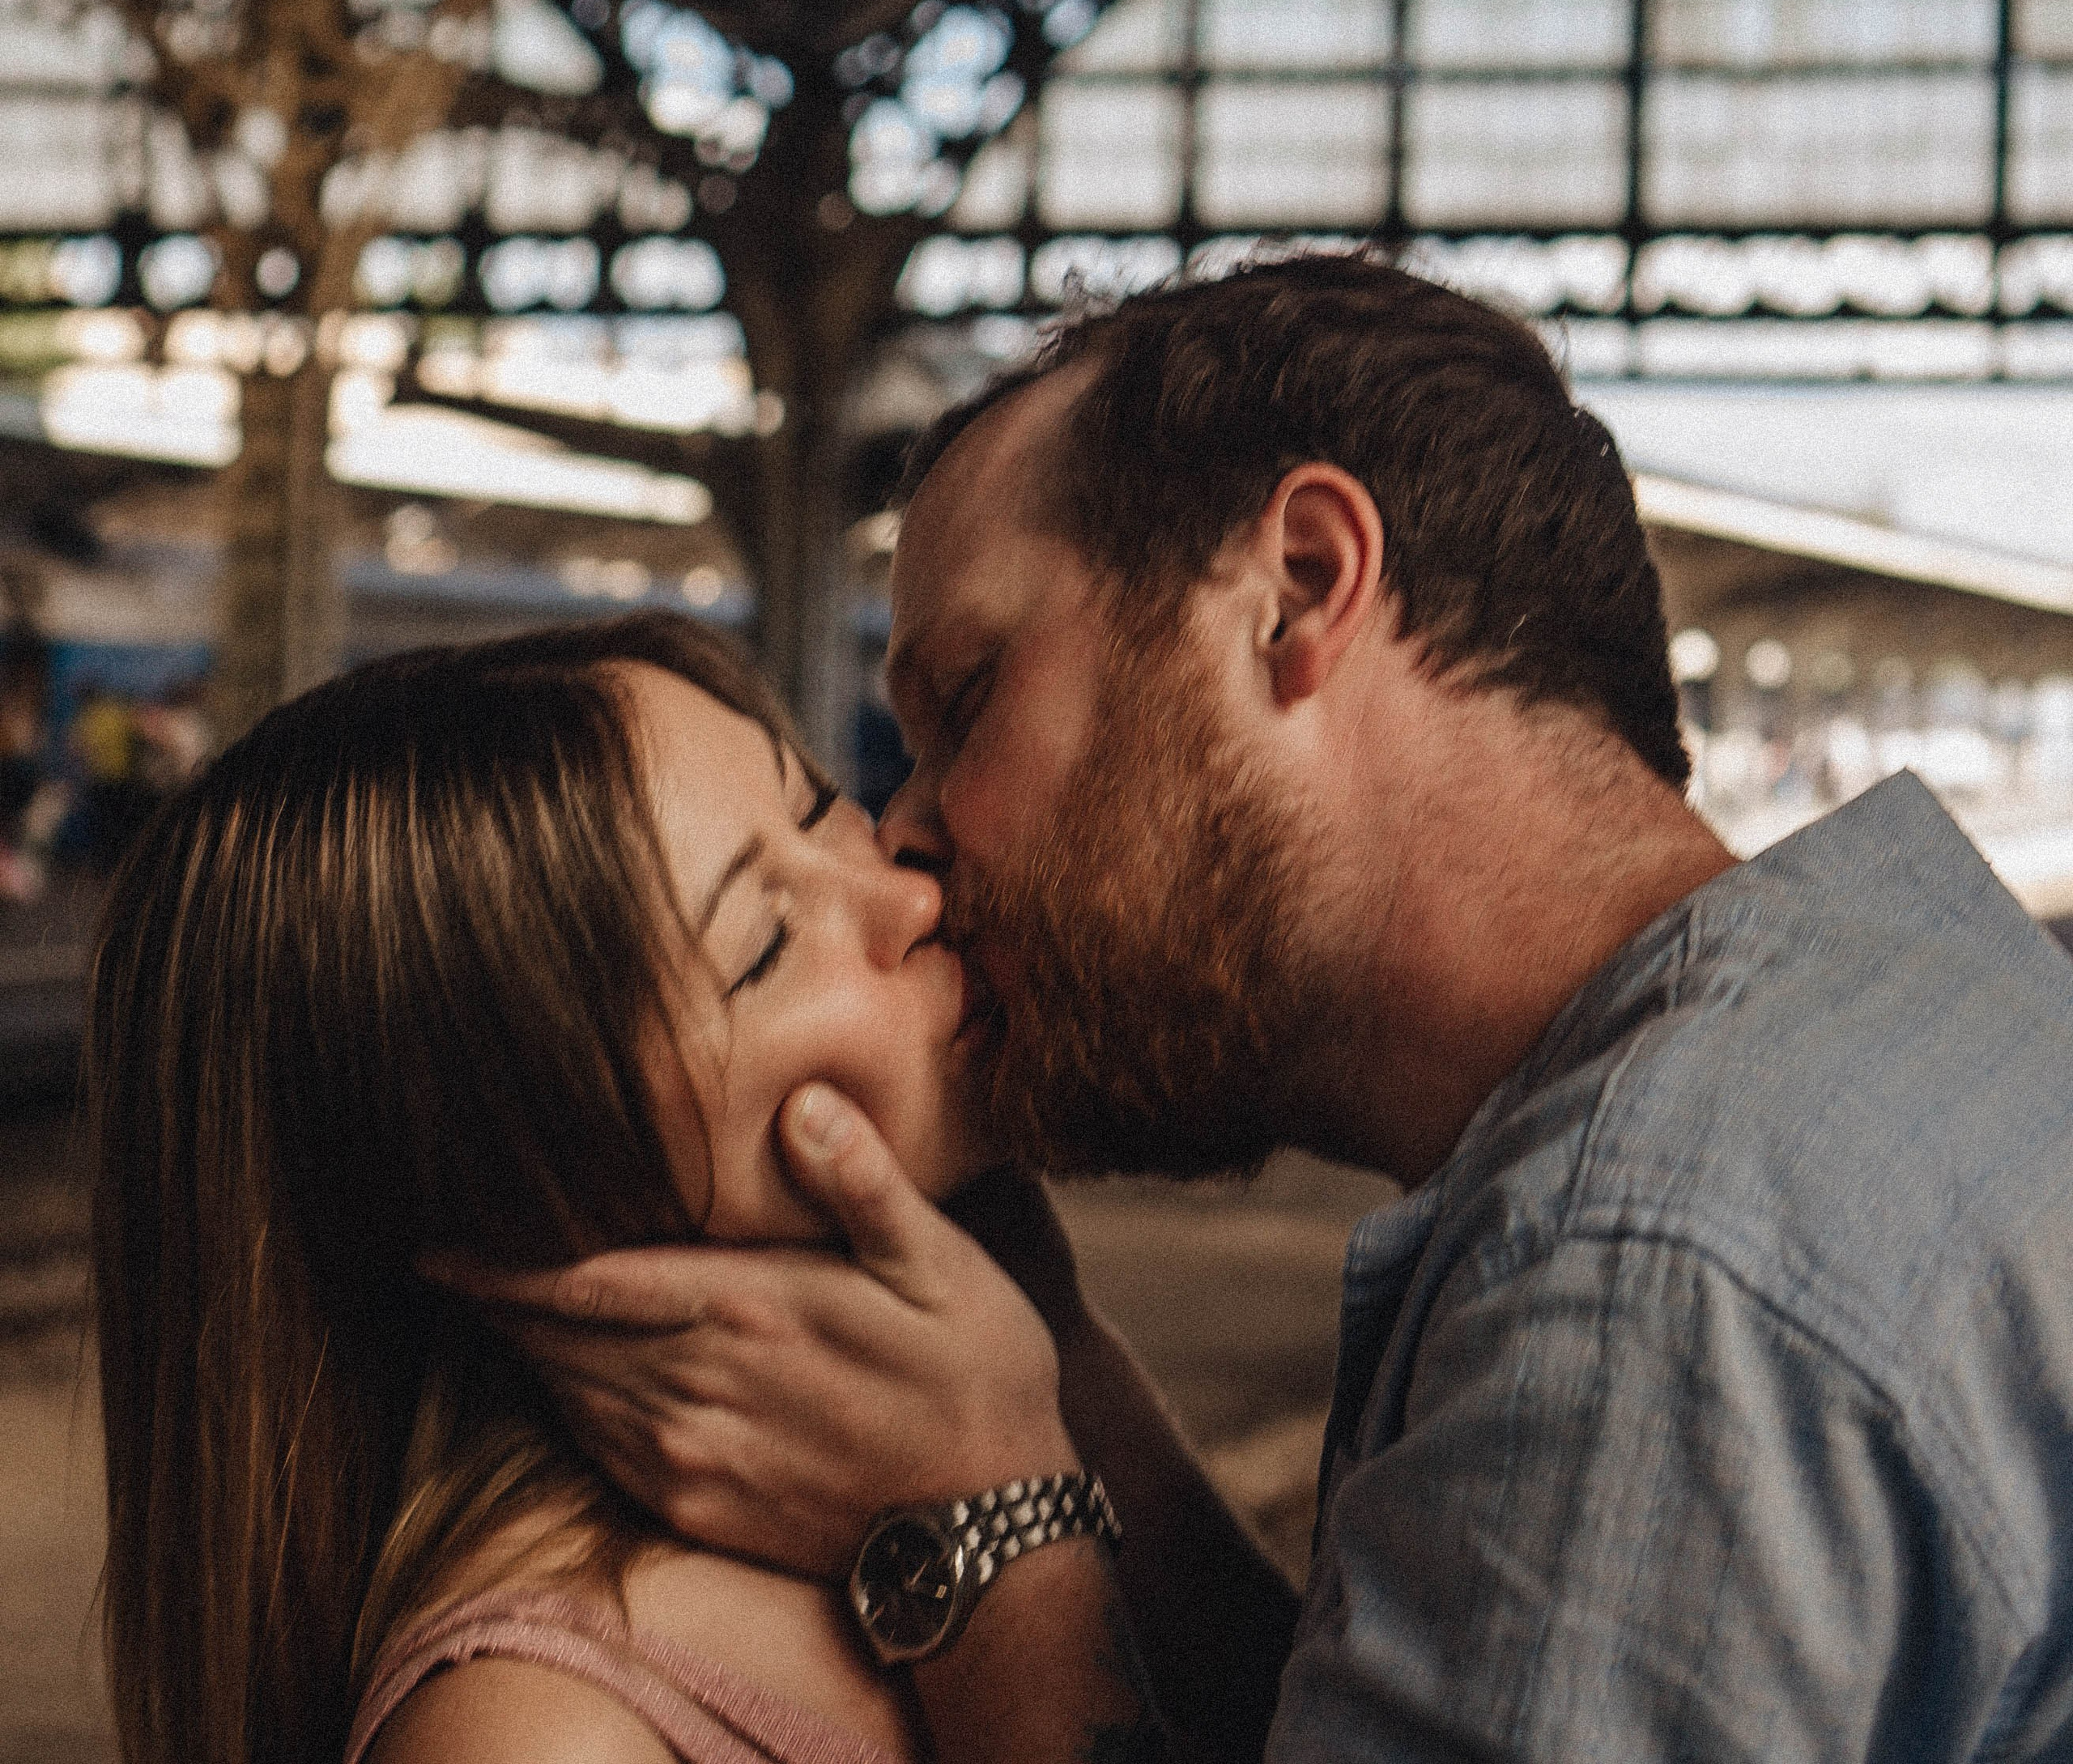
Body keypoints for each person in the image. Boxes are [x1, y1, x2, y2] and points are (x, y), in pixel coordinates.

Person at [470, 254, 2073, 1762]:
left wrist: (984, 1522)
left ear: (1297, 590)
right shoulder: (1907, 1013)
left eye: (965, 701)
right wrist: (1053, 1383)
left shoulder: (1648, 1277)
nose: (902, 836)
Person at [85, 610, 1156, 1764]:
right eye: (764, 948)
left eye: (818, 809)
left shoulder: (970, 1401)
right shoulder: (530, 1736)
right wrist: (1003, 1504)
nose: (911, 896)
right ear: (527, 1189)